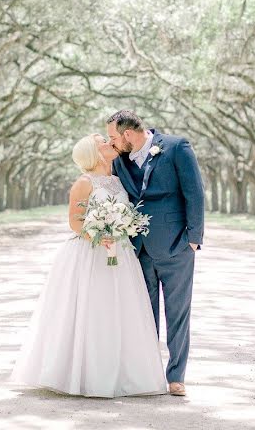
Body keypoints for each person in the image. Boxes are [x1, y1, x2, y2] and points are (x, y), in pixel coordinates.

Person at [10, 133, 168, 398]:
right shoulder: (83, 183)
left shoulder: (118, 181)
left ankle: (122, 374)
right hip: (91, 252)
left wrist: (123, 227)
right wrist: (97, 233)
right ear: (93, 153)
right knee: (91, 309)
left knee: (118, 310)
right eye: (102, 142)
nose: (110, 142)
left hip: (120, 252)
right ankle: (84, 375)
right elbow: (74, 221)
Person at [106, 110, 204, 397]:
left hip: (176, 247)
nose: (112, 143)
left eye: (113, 137)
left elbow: (195, 193)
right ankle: (147, 375)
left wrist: (193, 240)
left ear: (128, 134)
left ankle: (176, 376)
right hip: (138, 250)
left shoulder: (177, 147)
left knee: (178, 314)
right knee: (144, 316)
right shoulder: (120, 160)